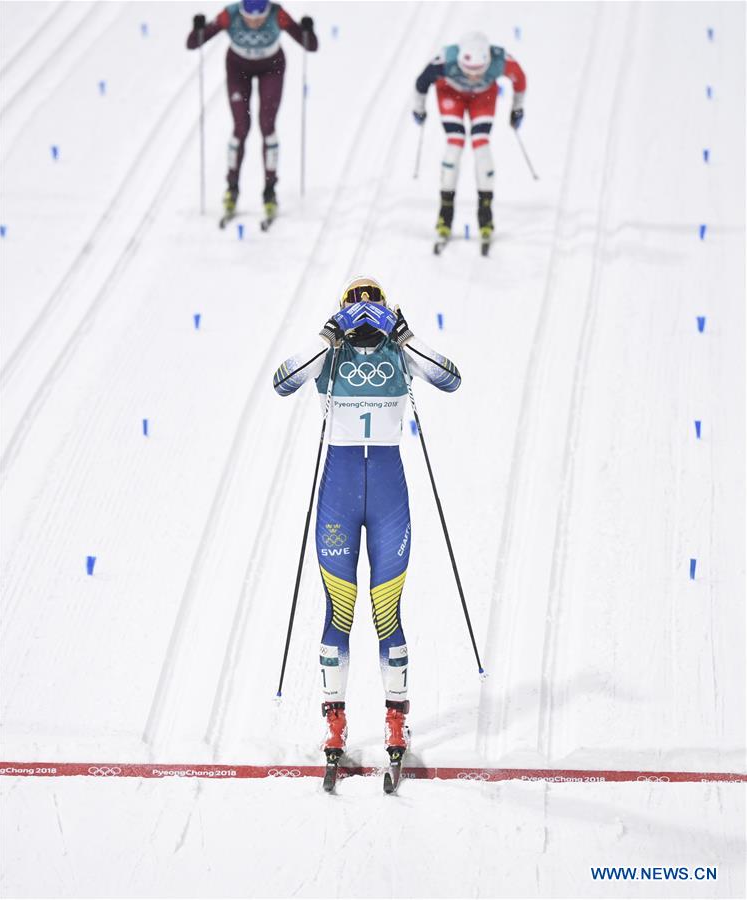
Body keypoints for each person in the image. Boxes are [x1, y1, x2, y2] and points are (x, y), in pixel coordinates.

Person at [272, 277, 461, 759]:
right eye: (353, 306)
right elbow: (282, 382)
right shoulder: (329, 356)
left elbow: (451, 379)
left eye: (370, 303)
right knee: (340, 611)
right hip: (348, 500)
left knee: (385, 613)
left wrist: (404, 336)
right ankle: (335, 725)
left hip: (383, 502)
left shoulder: (400, 354)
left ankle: (396, 723)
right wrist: (327, 335)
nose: (362, 313)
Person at [186, 0, 318, 222]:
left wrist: (307, 31)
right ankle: (232, 189)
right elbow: (193, 43)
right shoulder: (230, 15)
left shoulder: (278, 15)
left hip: (271, 67)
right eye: (249, 16)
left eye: (260, 16)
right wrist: (198, 29)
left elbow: (310, 45)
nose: (254, 21)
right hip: (238, 68)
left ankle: (269, 191)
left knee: (267, 126)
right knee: (241, 128)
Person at [412, 31, 526, 243]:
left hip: (483, 97)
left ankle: (485, 213)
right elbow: (421, 83)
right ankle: (445, 213)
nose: (473, 77)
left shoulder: (500, 60)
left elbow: (520, 80)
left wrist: (517, 109)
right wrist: (419, 109)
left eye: (479, 71)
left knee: (481, 143)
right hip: (450, 93)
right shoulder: (446, 59)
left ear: (488, 61)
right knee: (455, 143)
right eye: (468, 71)